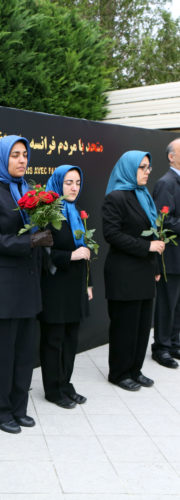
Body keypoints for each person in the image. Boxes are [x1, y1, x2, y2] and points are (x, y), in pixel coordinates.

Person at [0, 135, 53, 434]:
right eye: (15, 155)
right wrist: (32, 239)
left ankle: (18, 408)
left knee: (23, 352)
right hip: (1, 288)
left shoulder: (30, 190)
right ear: (2, 158)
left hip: (27, 284)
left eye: (25, 155)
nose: (22, 160)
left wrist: (44, 228)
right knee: (0, 354)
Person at [102, 150, 164, 392]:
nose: (147, 172)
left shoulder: (144, 195)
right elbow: (112, 235)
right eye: (142, 167)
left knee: (141, 326)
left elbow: (154, 233)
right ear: (128, 168)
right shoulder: (115, 197)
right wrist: (147, 246)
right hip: (123, 273)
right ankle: (119, 373)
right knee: (124, 326)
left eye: (148, 167)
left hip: (144, 271)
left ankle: (135, 370)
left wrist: (156, 264)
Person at [39, 165, 93, 409]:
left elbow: (86, 251)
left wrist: (88, 283)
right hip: (55, 287)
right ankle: (53, 388)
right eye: (69, 182)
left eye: (78, 183)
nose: (74, 187)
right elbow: (44, 253)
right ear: (58, 183)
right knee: (54, 339)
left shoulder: (75, 212)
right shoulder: (47, 213)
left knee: (71, 339)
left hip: (75, 285)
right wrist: (71, 256)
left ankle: (65, 382)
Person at [151, 138, 180, 369]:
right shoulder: (166, 183)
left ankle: (174, 342)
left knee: (178, 304)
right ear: (171, 156)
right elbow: (163, 220)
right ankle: (161, 348)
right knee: (166, 304)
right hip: (170, 256)